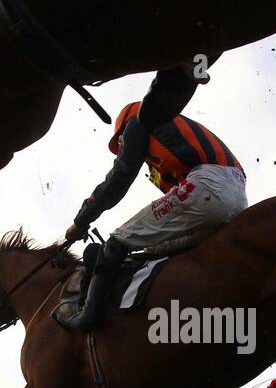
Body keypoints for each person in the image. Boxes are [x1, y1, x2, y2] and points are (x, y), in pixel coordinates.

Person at [55, 102, 247, 333]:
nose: (123, 147)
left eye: (121, 144)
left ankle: (87, 316)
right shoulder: (172, 128)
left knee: (119, 239)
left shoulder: (138, 121)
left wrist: (81, 220)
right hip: (236, 196)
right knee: (156, 251)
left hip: (207, 186)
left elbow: (120, 176)